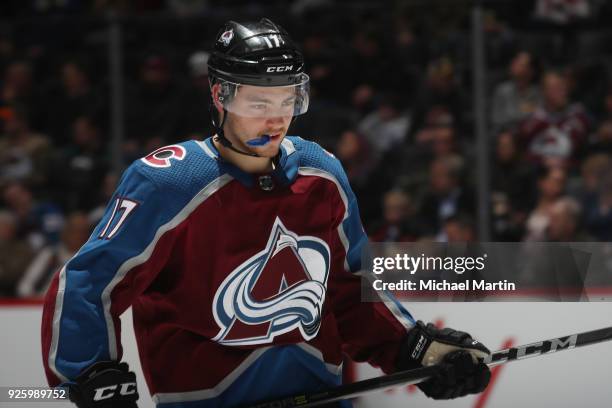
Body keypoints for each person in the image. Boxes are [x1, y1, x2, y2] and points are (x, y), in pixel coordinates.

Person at [41, 19, 490, 408]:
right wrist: (89, 374)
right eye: (258, 104)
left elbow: (350, 285)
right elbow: (88, 281)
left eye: (287, 101)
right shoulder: (169, 183)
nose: (275, 120)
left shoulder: (321, 174)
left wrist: (412, 348)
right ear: (220, 96)